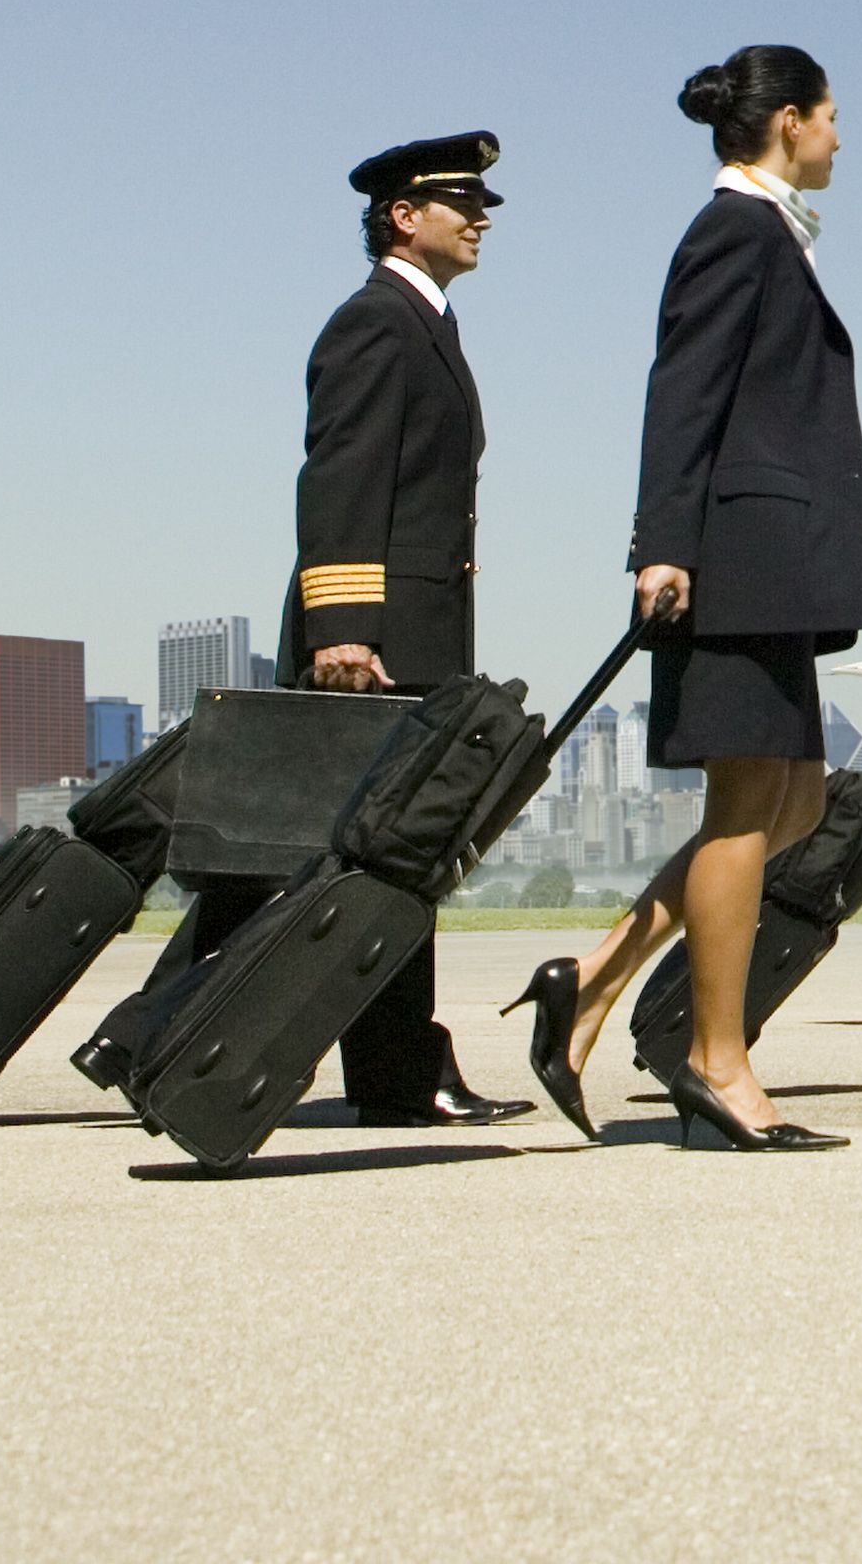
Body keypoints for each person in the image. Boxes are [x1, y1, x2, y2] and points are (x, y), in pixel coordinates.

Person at [80, 132, 532, 1122]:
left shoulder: (425, 325)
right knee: (351, 856)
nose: (482, 216)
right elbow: (337, 477)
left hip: (406, 632)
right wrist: (343, 625)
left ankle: (368, 1067)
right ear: (405, 217)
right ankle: (186, 1040)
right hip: (370, 640)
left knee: (342, 858)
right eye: (462, 200)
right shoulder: (375, 323)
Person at [505, 46, 862, 1151]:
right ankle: (717, 1061)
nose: (836, 136)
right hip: (733, 559)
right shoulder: (732, 228)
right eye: (828, 116)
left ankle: (592, 975)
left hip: (779, 562)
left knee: (797, 805)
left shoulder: (771, 230)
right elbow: (682, 387)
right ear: (784, 122)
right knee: (741, 812)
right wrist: (662, 544)